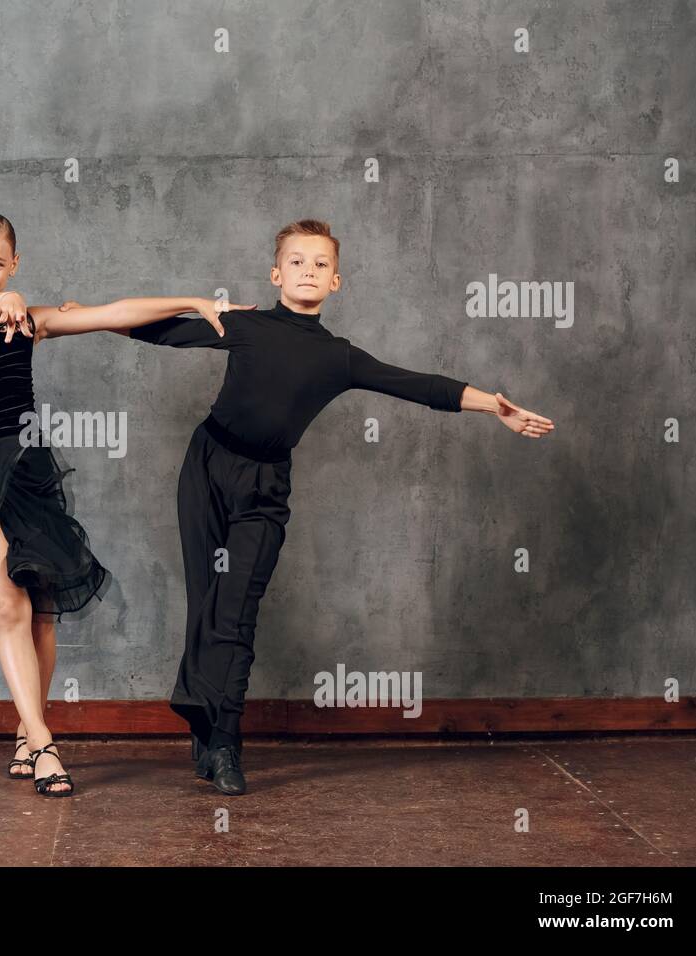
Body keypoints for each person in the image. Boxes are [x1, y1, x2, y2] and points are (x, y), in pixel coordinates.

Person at [125, 218, 556, 794]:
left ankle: (226, 744)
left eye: (321, 264)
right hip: (206, 468)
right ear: (276, 273)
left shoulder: (339, 358)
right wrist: (71, 319)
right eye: (297, 262)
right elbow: (155, 331)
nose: (308, 271)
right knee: (205, 600)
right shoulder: (244, 325)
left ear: (337, 282)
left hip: (264, 487)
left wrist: (492, 406)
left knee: (236, 613)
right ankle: (205, 736)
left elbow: (417, 384)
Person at [0, 211, 252, 797]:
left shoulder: (30, 323)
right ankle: (44, 742)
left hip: (28, 468)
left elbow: (113, 312)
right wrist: (4, 299)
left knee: (44, 613)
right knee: (9, 608)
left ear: (15, 262)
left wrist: (194, 302)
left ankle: (27, 735)